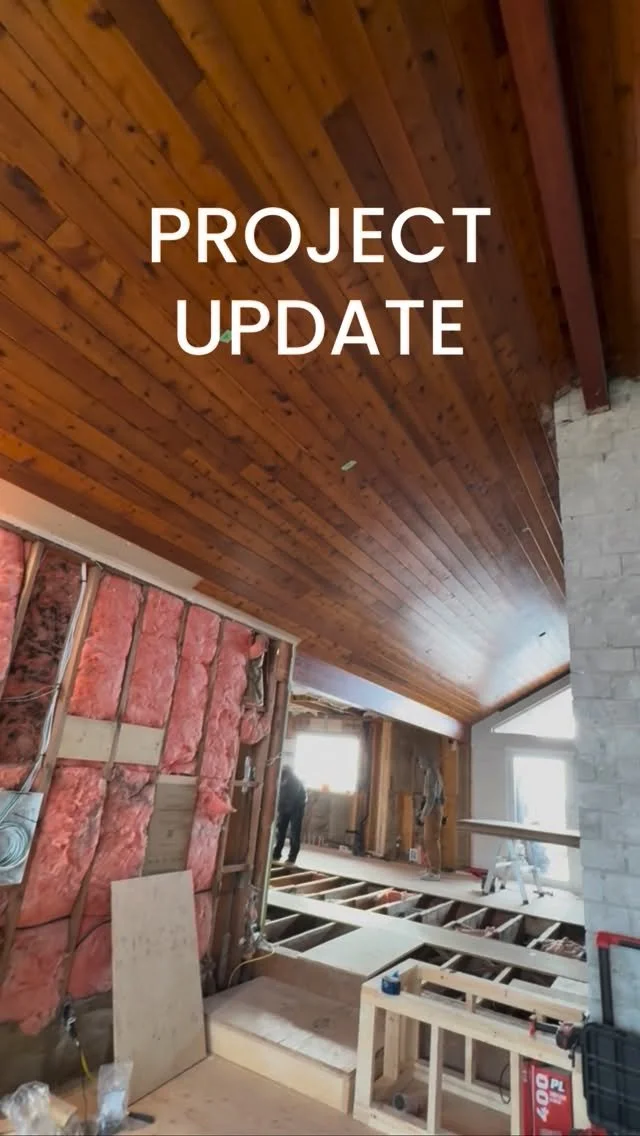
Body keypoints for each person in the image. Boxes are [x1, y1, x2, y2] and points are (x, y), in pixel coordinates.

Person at [416, 758, 446, 880]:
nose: (419, 763)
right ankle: (431, 868)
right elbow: (442, 797)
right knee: (429, 840)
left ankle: (434, 872)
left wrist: (423, 814)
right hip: (436, 808)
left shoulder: (431, 773)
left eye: (420, 760)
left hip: (433, 809)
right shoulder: (436, 772)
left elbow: (431, 797)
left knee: (431, 840)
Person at [273, 763, 307, 865]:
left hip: (296, 808)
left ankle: (292, 857)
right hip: (285, 807)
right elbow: (279, 796)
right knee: (280, 831)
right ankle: (276, 853)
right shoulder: (280, 779)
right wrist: (280, 812)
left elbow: (292, 799)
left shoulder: (294, 782)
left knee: (294, 832)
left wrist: (282, 811)